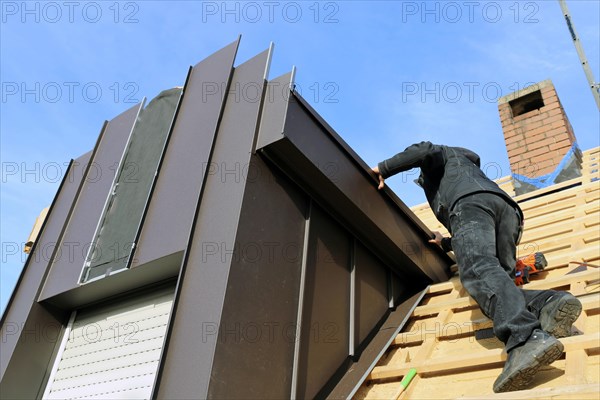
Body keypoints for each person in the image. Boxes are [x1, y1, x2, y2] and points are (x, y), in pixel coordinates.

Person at [372, 141, 582, 393]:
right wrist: (447, 242)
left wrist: (383, 168)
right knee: (499, 282)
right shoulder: (468, 169)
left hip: (470, 205)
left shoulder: (442, 157)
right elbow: (476, 229)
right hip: (508, 211)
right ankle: (548, 304)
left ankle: (526, 338)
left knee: (478, 271)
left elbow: (425, 149)